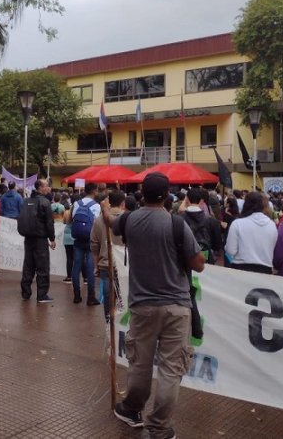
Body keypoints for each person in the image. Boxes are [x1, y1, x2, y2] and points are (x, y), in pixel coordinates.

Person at [112, 172, 204, 436]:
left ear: (141, 191)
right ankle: (159, 428)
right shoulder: (176, 224)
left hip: (142, 306)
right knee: (170, 369)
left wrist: (107, 212)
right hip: (177, 306)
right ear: (167, 196)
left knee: (140, 363)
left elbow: (112, 223)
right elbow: (199, 263)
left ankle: (132, 409)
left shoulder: (129, 220)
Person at [90, 190, 125, 322]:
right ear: (123, 203)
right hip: (124, 265)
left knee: (108, 295)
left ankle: (109, 323)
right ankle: (122, 325)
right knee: (124, 296)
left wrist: (95, 265)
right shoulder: (129, 218)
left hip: (105, 264)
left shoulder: (99, 220)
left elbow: (94, 245)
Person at [19, 179, 56, 303]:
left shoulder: (26, 201)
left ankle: (26, 292)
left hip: (28, 238)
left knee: (28, 265)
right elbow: (49, 223)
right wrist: (52, 238)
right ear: (40, 187)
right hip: (40, 239)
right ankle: (42, 295)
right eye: (46, 186)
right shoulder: (45, 202)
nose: (48, 188)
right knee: (42, 266)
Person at [225, 191, 278, 274]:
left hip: (240, 269)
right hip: (265, 270)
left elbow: (230, 251)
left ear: (245, 204)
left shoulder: (237, 224)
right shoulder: (272, 225)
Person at [69, 182, 101, 305]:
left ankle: (77, 295)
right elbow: (97, 223)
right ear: (94, 191)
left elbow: (72, 218)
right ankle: (91, 297)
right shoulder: (96, 206)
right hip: (90, 239)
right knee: (90, 267)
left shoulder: (76, 203)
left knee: (76, 266)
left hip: (77, 239)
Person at [180, 187, 223, 265]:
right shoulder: (212, 220)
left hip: (184, 261)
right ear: (202, 201)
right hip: (205, 260)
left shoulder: (178, 219)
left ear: (187, 200)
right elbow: (217, 245)